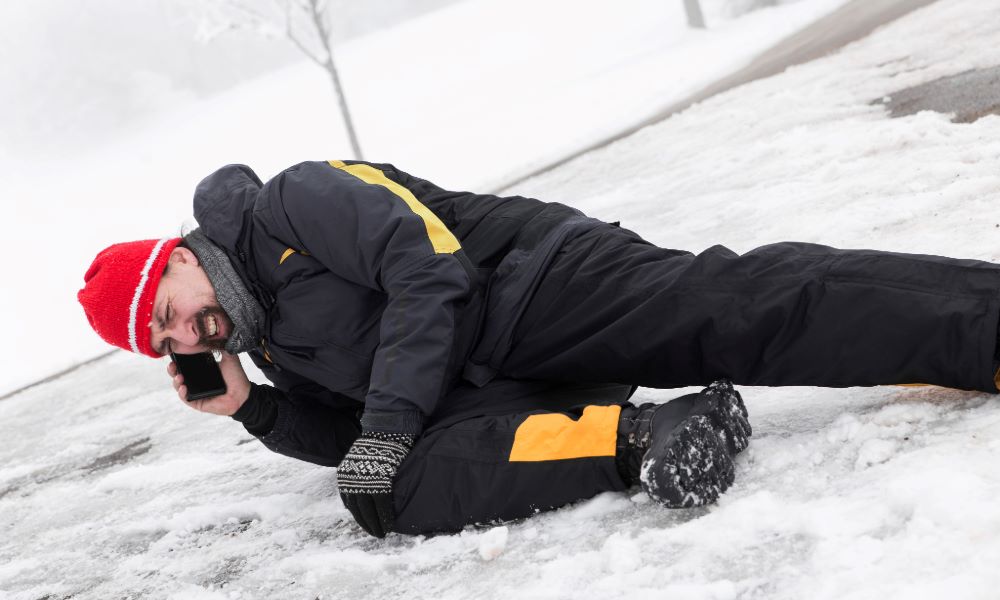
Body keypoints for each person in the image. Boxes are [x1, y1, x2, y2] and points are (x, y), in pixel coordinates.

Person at [79, 160, 1000, 537]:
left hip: (540, 287)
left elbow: (427, 270)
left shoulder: (293, 201)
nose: (178, 333)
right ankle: (644, 436)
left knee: (740, 312)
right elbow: (363, 438)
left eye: (164, 307)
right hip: (499, 380)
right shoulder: (268, 347)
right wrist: (255, 406)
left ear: (176, 260)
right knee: (377, 492)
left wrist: (393, 420)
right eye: (157, 340)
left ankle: (982, 326)